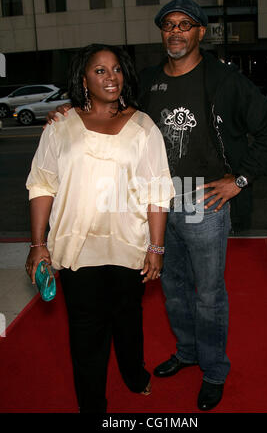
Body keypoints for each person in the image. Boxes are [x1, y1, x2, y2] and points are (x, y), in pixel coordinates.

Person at [46, 0, 267, 411]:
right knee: (170, 287)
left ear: (200, 33)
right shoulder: (149, 79)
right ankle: (188, 352)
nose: (175, 32)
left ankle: (213, 369)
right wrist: (72, 108)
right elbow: (113, 108)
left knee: (208, 293)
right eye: (168, 25)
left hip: (201, 198)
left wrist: (239, 180)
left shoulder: (225, 81)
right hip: (152, 202)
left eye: (185, 25)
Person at [25, 43, 174, 413]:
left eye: (117, 69)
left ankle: (133, 373)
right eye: (100, 70)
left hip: (129, 247)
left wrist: (156, 247)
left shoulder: (143, 126)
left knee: (128, 320)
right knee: (86, 333)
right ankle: (92, 405)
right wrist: (37, 243)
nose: (111, 77)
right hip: (77, 249)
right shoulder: (61, 125)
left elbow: (158, 190)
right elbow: (42, 183)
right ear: (83, 77)